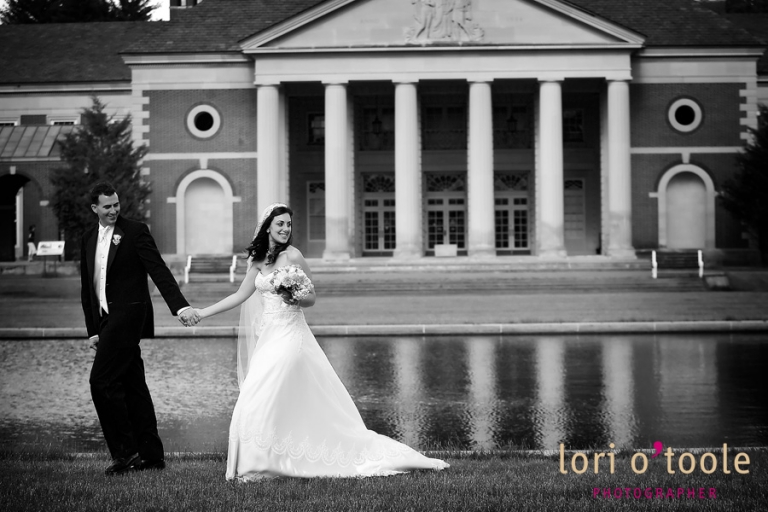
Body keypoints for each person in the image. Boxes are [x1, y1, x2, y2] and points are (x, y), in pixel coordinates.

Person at [191, 203, 449, 480]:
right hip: (269, 336)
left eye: (288, 224)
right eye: (280, 224)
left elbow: (311, 297)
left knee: (266, 392)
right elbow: (239, 296)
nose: (285, 229)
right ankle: (261, 461)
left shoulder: (294, 255)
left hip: (291, 335)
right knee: (254, 395)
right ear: (267, 227)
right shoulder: (257, 260)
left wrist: (294, 296)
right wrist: (201, 313)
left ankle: (263, 464)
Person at [80, 181, 199, 475]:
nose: (113, 210)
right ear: (94, 208)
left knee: (101, 381)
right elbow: (87, 287)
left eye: (116, 205)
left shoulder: (135, 231)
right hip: (106, 320)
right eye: (107, 206)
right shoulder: (87, 238)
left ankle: (125, 453)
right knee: (133, 386)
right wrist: (93, 330)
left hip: (129, 316)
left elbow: (158, 269)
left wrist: (180, 306)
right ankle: (151, 455)